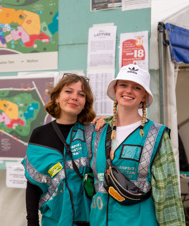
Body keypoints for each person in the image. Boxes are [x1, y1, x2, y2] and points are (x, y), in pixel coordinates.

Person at [90, 64, 185, 226]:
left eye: (136, 87)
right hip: (99, 221)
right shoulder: (97, 131)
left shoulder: (156, 135)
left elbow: (167, 193)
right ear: (115, 89)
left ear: (144, 96)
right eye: (123, 85)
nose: (128, 91)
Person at [22, 73, 96, 226]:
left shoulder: (94, 133)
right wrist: (32, 222)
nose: (74, 97)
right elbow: (33, 184)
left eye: (81, 94)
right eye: (69, 91)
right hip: (54, 220)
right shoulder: (40, 135)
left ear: (85, 102)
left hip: (90, 218)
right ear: (57, 97)